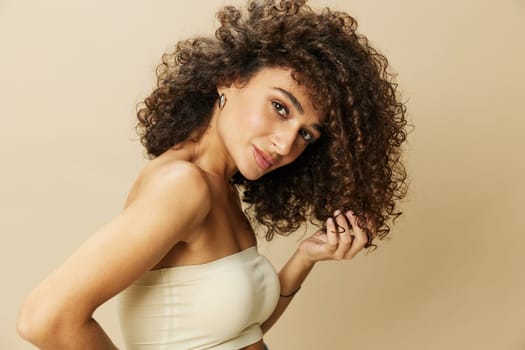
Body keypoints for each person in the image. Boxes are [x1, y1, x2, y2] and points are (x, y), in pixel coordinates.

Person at [17, 0, 409, 349]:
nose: (287, 143)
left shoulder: (219, 186)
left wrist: (305, 258)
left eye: (306, 134)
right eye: (280, 107)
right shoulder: (182, 186)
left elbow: (235, 334)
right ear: (230, 78)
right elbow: (46, 319)